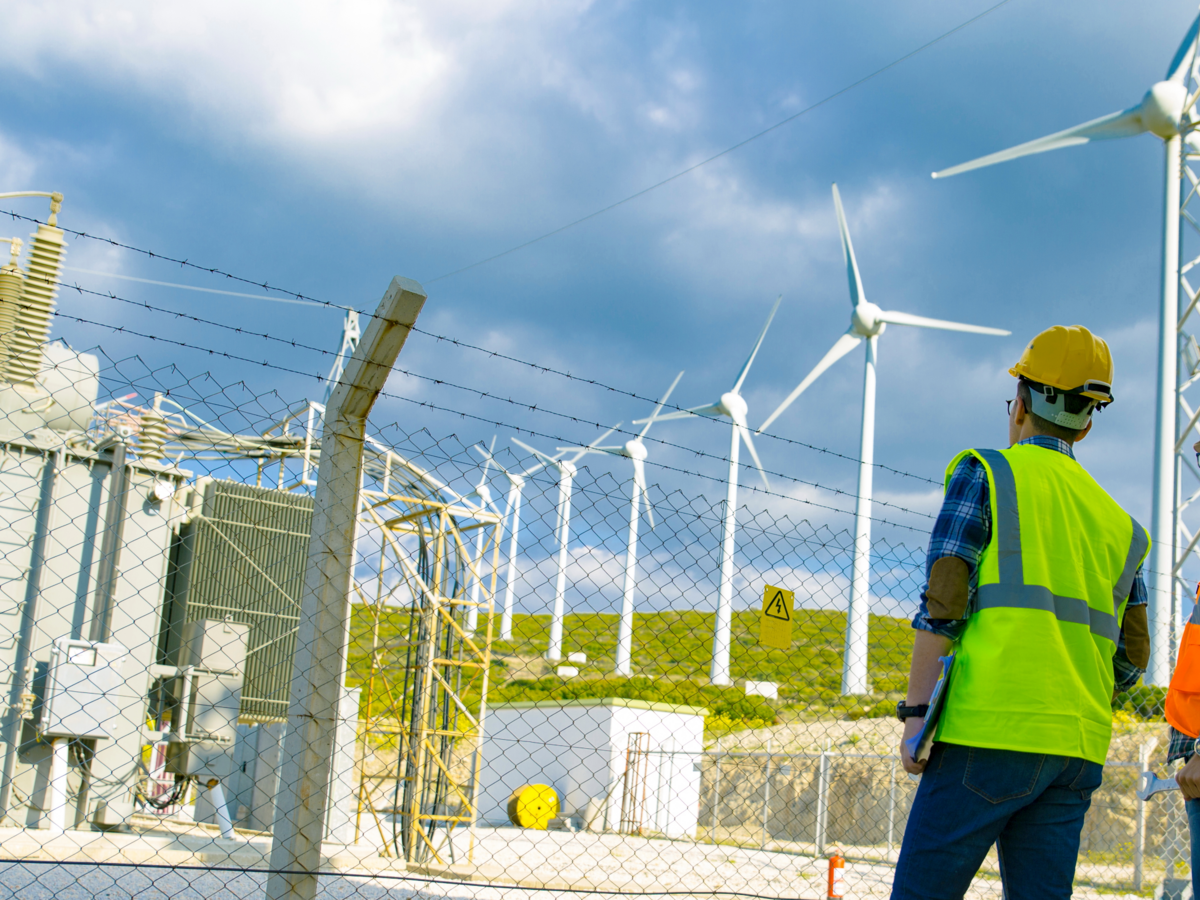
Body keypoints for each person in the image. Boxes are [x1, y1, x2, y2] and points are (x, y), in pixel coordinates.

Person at [890, 324, 1150, 900]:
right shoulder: (1124, 528)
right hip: (1075, 752)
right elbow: (1132, 662)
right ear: (1086, 421)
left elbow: (942, 609)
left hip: (987, 734)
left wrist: (914, 718)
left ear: (1022, 405)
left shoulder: (986, 473)